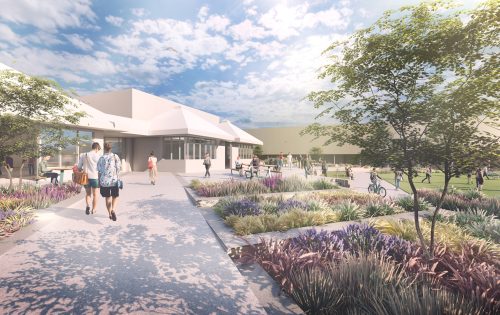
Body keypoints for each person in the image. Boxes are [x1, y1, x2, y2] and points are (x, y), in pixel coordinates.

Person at [97, 142, 121, 221]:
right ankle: (113, 209)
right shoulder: (115, 156)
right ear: (111, 148)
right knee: (115, 196)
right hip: (114, 180)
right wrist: (118, 178)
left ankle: (110, 213)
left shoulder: (101, 158)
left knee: (107, 197)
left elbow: (99, 171)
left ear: (104, 148)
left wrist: (99, 182)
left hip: (104, 181)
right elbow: (118, 168)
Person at [78, 142, 101, 215]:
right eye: (98, 149)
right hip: (94, 177)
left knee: (88, 194)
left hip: (85, 177)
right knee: (95, 194)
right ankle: (93, 209)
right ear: (97, 148)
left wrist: (83, 169)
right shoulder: (98, 156)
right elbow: (100, 167)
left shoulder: (83, 155)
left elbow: (79, 167)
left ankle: (88, 206)